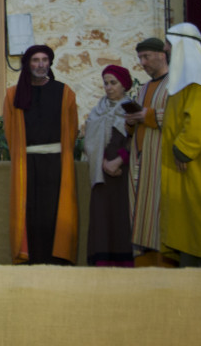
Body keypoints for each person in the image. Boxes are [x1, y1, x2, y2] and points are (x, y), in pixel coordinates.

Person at [3, 44, 78, 265]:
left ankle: (57, 259)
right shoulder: (13, 95)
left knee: (54, 214)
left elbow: (71, 131)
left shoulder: (64, 93)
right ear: (27, 64)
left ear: (50, 63)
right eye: (35, 60)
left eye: (44, 59)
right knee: (30, 214)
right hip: (26, 163)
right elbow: (10, 132)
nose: (40, 64)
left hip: (56, 164)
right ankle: (30, 259)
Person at [161, 23, 201, 267]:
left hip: (193, 166)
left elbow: (198, 119)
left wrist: (183, 149)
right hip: (183, 172)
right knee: (188, 225)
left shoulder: (197, 79)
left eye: (168, 43)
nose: (165, 48)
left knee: (196, 222)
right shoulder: (184, 79)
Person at [84, 65, 134, 267]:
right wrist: (101, 161)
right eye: (106, 83)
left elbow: (135, 140)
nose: (109, 87)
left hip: (122, 174)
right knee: (102, 220)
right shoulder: (98, 110)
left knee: (121, 218)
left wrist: (119, 159)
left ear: (124, 85)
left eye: (113, 83)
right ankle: (102, 264)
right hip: (101, 175)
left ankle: (125, 264)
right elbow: (90, 141)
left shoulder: (131, 109)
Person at [126, 37, 170, 266]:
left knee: (157, 212)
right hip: (140, 158)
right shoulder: (142, 88)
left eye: (146, 57)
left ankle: (163, 262)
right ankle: (144, 264)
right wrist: (132, 119)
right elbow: (134, 125)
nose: (142, 62)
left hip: (161, 158)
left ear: (162, 55)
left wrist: (149, 115)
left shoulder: (175, 85)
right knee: (139, 212)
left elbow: (176, 118)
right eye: (140, 58)